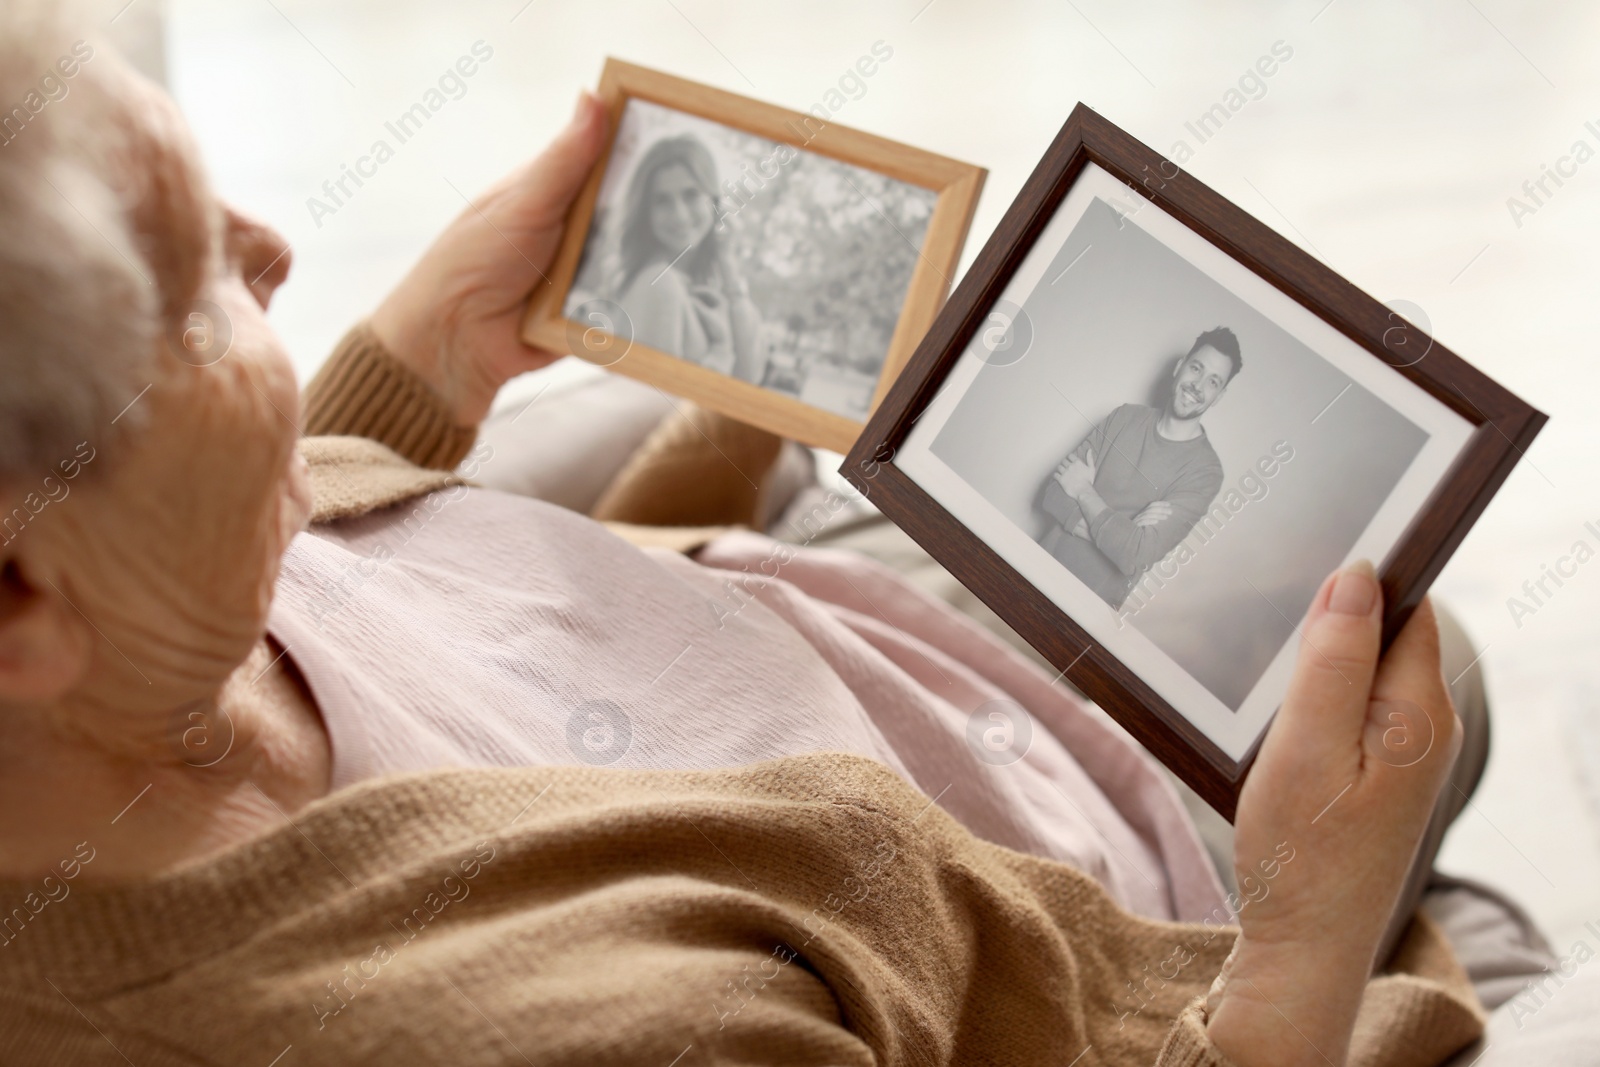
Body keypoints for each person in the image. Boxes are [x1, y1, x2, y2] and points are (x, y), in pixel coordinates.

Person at [0, 9, 1488, 1064]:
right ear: (18, 598)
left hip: (781, 601)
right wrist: (1299, 949)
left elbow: (238, 564)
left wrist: (417, 372)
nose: (276, 250)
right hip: (1093, 883)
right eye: (191, 280)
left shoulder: (116, 634)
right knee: (1427, 663)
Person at [1040, 328, 1239, 609]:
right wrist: (1119, 536)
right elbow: (1052, 494)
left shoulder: (1205, 472)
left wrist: (1084, 491)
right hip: (1035, 566)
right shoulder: (1124, 416)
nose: (1198, 385)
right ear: (1180, 367)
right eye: (1196, 368)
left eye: (1213, 382)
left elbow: (1134, 557)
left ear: (1219, 396)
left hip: (1087, 608)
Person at [607, 134, 763, 381]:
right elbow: (659, 403)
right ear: (646, 214)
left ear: (714, 202)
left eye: (691, 195)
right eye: (662, 201)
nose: (679, 215)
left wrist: (728, 263)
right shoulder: (659, 285)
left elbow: (751, 376)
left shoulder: (701, 286)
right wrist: (721, 353)